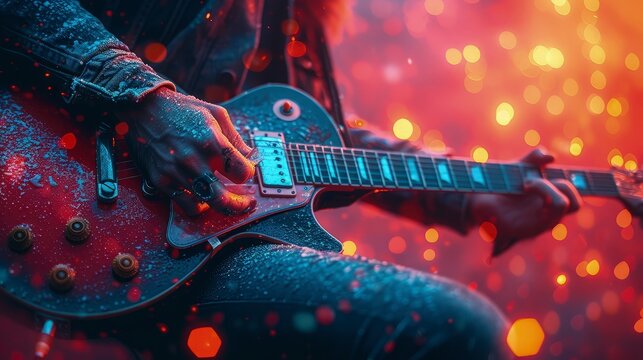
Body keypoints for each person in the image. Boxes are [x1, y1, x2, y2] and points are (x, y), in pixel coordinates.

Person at [0, 1, 582, 358]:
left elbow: (310, 130)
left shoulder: (292, 12)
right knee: (455, 330)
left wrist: (472, 195)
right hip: (52, 186)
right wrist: (144, 99)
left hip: (203, 248)